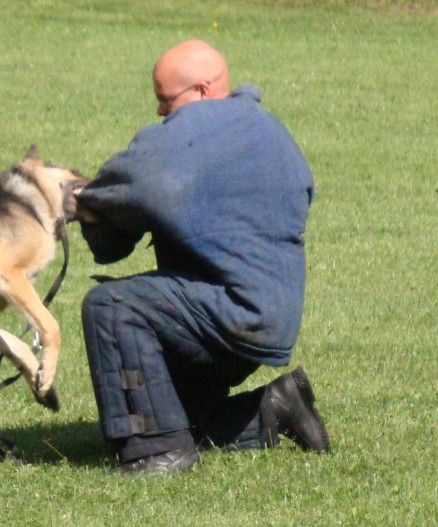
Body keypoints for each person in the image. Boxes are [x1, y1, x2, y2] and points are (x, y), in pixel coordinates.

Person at [73, 40, 329, 475]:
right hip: (271, 319)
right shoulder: (270, 130)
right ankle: (276, 406)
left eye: (164, 100)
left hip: (227, 316)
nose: (159, 111)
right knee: (181, 418)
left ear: (203, 89)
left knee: (111, 306)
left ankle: (156, 452)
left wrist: (83, 199)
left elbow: (113, 241)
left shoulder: (179, 140)